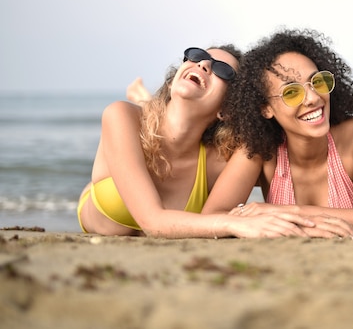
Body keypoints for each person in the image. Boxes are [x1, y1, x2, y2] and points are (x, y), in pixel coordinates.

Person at [77, 45, 318, 239]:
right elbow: (152, 222)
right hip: (99, 199)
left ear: (227, 109)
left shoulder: (219, 162)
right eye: (196, 56)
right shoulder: (121, 116)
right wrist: (234, 224)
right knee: (144, 113)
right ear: (173, 81)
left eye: (222, 70)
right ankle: (142, 99)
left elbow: (289, 156)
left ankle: (144, 98)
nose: (203, 64)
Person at [203, 28, 353, 237]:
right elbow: (213, 215)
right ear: (266, 108)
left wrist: (290, 213)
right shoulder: (261, 149)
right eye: (291, 92)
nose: (312, 98)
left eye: (317, 81)